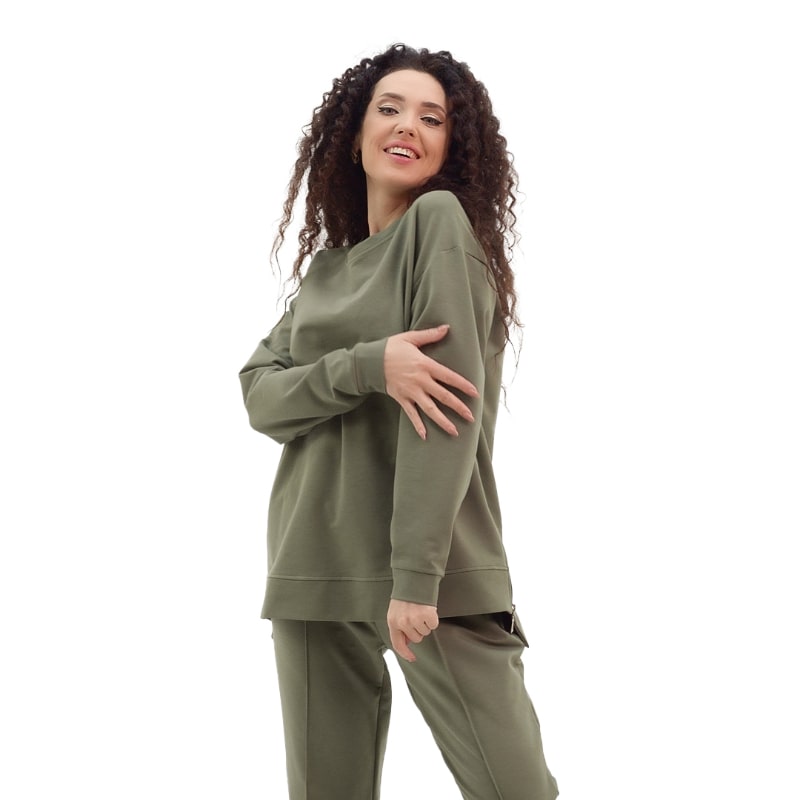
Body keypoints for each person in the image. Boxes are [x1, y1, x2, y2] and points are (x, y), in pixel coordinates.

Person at [239, 43, 558, 800]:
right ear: (355, 137)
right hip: (314, 563)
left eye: (432, 117)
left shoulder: (438, 225)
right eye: (389, 108)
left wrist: (416, 579)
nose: (408, 125)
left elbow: (446, 414)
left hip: (431, 575)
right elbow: (260, 396)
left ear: (453, 147)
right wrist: (367, 365)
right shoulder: (325, 274)